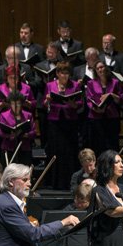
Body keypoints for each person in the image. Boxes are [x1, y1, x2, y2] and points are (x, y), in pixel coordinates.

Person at [43, 61, 81, 190]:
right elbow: (44, 104)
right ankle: (54, 182)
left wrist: (72, 104)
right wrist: (47, 101)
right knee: (55, 150)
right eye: (62, 73)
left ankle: (70, 181)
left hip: (70, 122)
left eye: (67, 73)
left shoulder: (75, 85)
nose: (65, 76)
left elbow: (80, 104)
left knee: (69, 151)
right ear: (57, 73)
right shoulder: (50, 85)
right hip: (55, 121)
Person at [86, 60, 123, 153]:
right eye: (98, 68)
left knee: (111, 143)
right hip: (96, 116)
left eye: (102, 67)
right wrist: (95, 109)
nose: (100, 69)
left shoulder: (115, 82)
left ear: (106, 68)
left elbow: (122, 98)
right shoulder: (91, 83)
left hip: (111, 116)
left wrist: (112, 95)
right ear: (95, 71)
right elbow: (88, 99)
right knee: (98, 143)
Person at [0, 91, 36, 166]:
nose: (16, 106)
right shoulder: (4, 115)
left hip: (24, 147)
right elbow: (1, 132)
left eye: (18, 104)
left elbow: (34, 132)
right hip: (9, 148)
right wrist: (11, 135)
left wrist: (27, 135)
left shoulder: (28, 115)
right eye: (13, 104)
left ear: (21, 104)